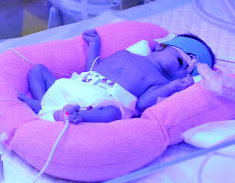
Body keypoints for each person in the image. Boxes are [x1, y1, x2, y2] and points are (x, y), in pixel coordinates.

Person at [18, 31, 216, 123]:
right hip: (78, 83)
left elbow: (144, 103)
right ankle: (44, 104)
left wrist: (174, 87)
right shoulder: (128, 54)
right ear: (161, 46)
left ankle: (68, 115)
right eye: (182, 62)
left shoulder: (163, 81)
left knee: (112, 114)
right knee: (37, 70)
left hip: (104, 101)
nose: (183, 72)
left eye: (188, 73)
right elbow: (94, 68)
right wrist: (94, 45)